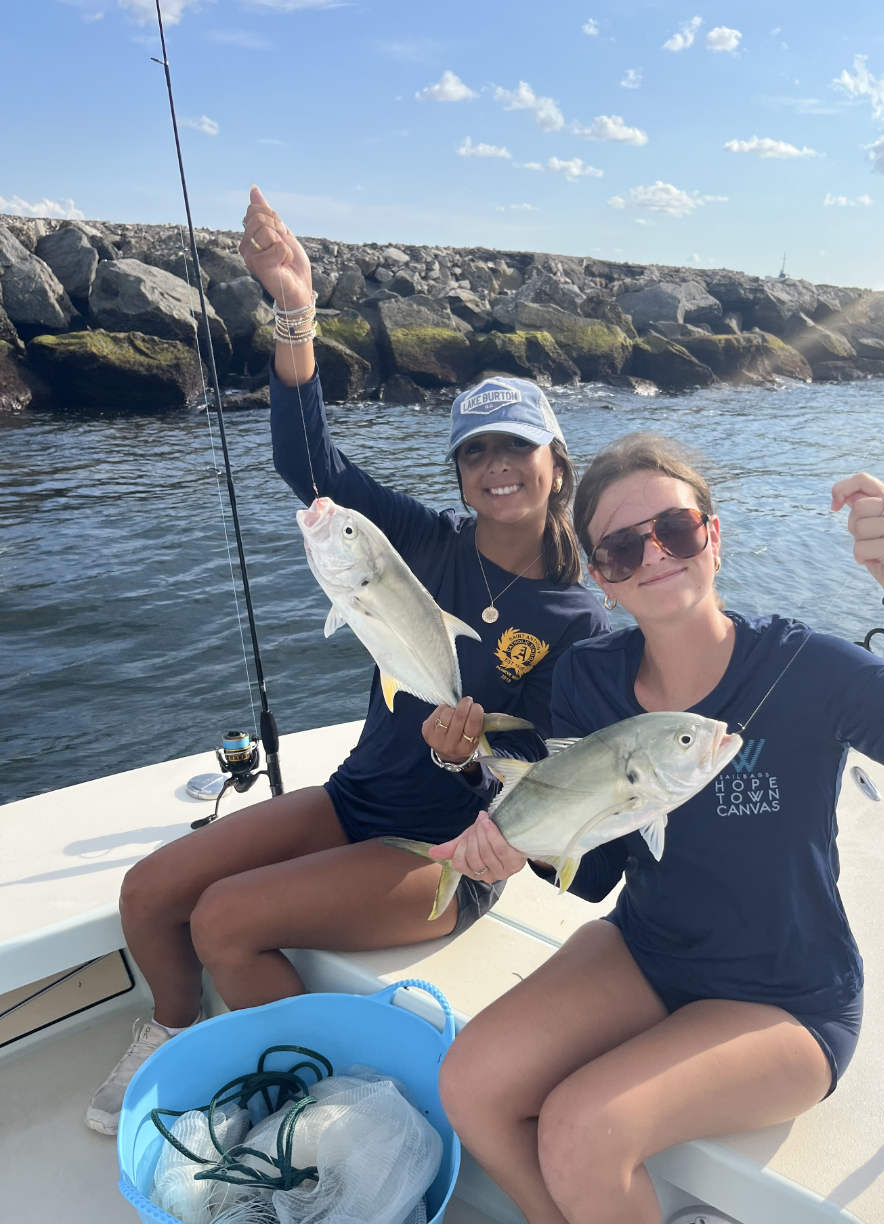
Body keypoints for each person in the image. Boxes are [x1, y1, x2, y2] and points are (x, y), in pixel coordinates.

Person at [427, 432, 884, 1224]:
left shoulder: (810, 669)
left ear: (714, 536)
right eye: (624, 548)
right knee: (469, 1081)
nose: (654, 554)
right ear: (602, 575)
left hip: (790, 997)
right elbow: (598, 876)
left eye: (674, 528)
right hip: (650, 949)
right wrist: (514, 840)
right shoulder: (588, 677)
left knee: (584, 1127)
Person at [82, 188, 607, 1138]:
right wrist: (296, 314)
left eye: (518, 448)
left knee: (225, 920)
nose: (497, 465)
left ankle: (303, 1101)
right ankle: (173, 1027)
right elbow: (309, 465)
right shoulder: (428, 544)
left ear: (557, 464)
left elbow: (553, 771)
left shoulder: (581, 615)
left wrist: (466, 758)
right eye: (476, 450)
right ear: (458, 471)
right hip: (354, 796)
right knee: (150, 890)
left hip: (447, 851)